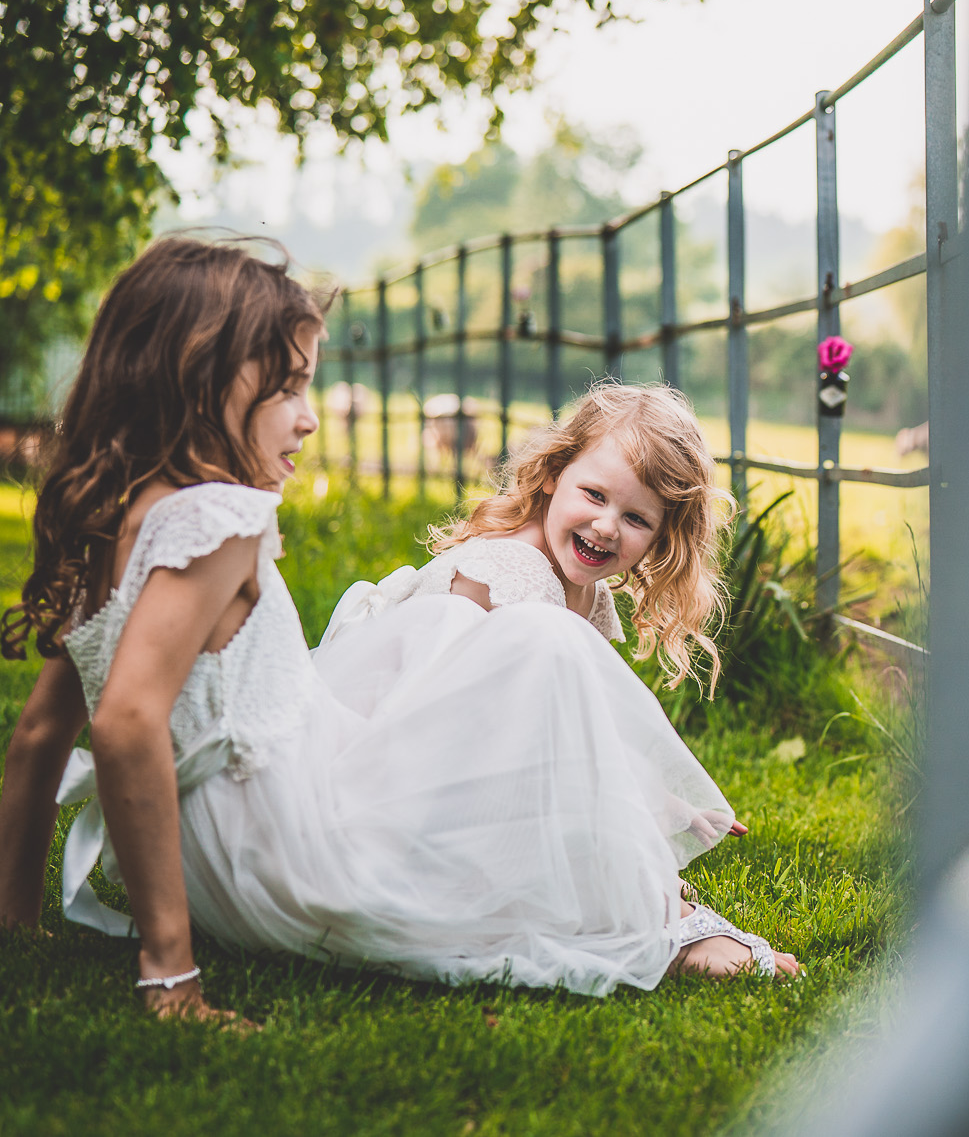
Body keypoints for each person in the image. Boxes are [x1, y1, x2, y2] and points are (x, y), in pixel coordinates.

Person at [0, 237, 787, 1028]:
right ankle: (666, 920)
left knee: (465, 631)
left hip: (225, 865)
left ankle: (647, 881)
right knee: (539, 645)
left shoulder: (110, 522)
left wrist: (18, 925)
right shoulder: (217, 522)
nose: (310, 418)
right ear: (203, 385)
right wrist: (169, 969)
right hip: (293, 862)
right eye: (290, 389)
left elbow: (38, 737)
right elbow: (128, 721)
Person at [315, 381, 798, 982]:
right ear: (552, 475)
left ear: (662, 536)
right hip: (397, 787)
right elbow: (501, 737)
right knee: (579, 823)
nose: (605, 526)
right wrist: (639, 804)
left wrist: (656, 797)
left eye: (636, 518)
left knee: (587, 814)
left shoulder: (585, 589)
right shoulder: (512, 572)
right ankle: (665, 923)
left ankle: (658, 910)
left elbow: (576, 721)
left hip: (458, 768)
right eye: (593, 494)